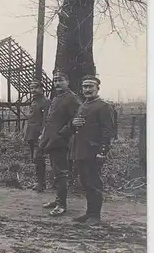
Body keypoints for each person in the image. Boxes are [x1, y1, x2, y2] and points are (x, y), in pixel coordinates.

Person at [64, 75, 115, 225]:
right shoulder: (83, 105)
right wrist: (73, 124)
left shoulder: (104, 106)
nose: (87, 89)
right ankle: (89, 213)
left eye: (90, 86)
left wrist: (102, 151)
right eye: (85, 86)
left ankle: (95, 216)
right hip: (80, 150)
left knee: (93, 183)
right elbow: (76, 127)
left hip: (93, 151)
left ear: (97, 88)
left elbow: (107, 131)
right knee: (85, 182)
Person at [39, 70, 80, 217]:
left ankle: (62, 205)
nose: (57, 83)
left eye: (60, 80)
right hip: (51, 141)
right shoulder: (57, 98)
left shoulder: (72, 99)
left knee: (61, 173)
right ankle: (58, 200)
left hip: (61, 142)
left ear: (67, 82)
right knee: (56, 173)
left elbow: (76, 121)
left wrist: (62, 134)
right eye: (55, 80)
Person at [23, 80, 50, 192]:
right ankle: (38, 181)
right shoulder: (34, 102)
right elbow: (31, 117)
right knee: (35, 158)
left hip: (39, 134)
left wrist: (43, 134)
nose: (33, 90)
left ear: (41, 89)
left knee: (39, 158)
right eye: (31, 88)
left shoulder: (45, 102)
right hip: (31, 134)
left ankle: (41, 183)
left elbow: (46, 120)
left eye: (35, 87)